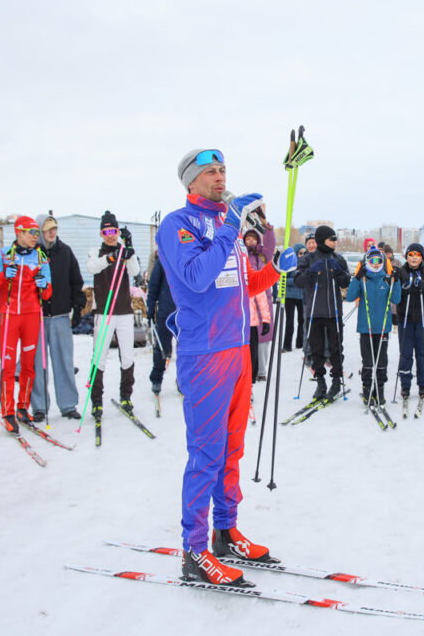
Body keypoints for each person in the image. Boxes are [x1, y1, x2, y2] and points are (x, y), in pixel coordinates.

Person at [156, 147, 297, 586]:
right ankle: (194, 551)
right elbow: (198, 276)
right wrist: (232, 226)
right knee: (206, 454)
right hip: (206, 355)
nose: (220, 176)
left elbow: (237, 284)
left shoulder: (224, 225)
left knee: (231, 449)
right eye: (210, 171)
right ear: (191, 181)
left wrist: (272, 268)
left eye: (223, 169)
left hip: (238, 350)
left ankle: (224, 531)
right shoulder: (176, 225)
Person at [0, 216, 53, 431]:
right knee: (7, 365)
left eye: (37, 232)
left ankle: (23, 407)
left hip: (32, 315)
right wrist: (4, 276)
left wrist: (44, 285)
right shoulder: (3, 255)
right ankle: (7, 411)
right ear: (19, 232)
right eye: (31, 232)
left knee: (28, 364)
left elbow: (48, 291)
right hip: (10, 316)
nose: (36, 236)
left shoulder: (41, 257)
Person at [31, 213, 85, 422]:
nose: (52, 232)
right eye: (47, 229)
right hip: (37, 316)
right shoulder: (32, 254)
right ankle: (39, 406)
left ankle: (68, 404)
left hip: (61, 314)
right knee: (38, 363)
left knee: (64, 361)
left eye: (54, 228)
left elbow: (76, 281)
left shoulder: (65, 252)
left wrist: (77, 307)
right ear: (39, 232)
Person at [86, 212, 140, 422]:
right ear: (101, 233)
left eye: (114, 231)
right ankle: (96, 401)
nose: (110, 235)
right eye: (106, 231)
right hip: (104, 312)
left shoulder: (123, 251)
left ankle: (126, 396)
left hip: (124, 310)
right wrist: (110, 258)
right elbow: (93, 267)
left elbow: (134, 271)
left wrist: (129, 248)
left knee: (127, 356)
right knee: (99, 357)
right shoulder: (96, 252)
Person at [294, 224, 350, 402]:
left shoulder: (339, 259)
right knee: (316, 349)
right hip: (314, 312)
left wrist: (340, 272)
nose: (335, 242)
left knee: (335, 349)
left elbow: (346, 282)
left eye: (335, 239)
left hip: (333, 312)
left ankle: (335, 380)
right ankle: (320, 381)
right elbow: (298, 281)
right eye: (331, 239)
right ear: (321, 240)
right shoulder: (308, 259)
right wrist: (311, 271)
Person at [345, 247, 400, 406]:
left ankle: (380, 388)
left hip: (382, 328)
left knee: (381, 361)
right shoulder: (363, 279)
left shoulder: (386, 279)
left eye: (379, 261)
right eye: (372, 261)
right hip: (366, 328)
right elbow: (349, 297)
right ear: (367, 262)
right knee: (368, 361)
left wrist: (395, 282)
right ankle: (367, 387)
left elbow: (396, 299)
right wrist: (356, 277)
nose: (376, 264)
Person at [396, 243, 424, 403]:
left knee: (422, 354)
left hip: (423, 319)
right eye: (411, 254)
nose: (414, 258)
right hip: (405, 320)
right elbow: (395, 294)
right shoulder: (401, 272)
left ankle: (423, 384)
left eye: (418, 255)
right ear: (406, 256)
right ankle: (405, 385)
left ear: (422, 257)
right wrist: (402, 290)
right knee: (406, 354)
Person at [242, 224, 277, 381]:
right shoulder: (241, 255)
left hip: (262, 300)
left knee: (263, 337)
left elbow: (270, 245)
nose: (250, 241)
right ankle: (246, 370)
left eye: (253, 239)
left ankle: (261, 370)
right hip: (246, 300)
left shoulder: (263, 255)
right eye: (247, 239)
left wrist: (268, 229)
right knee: (246, 338)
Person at [145, 252, 177, 395]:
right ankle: (157, 379)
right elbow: (153, 286)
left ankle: (183, 380)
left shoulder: (188, 256)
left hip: (185, 312)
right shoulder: (163, 260)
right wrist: (150, 308)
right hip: (166, 310)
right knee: (162, 348)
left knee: (185, 350)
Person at [281, 244, 306, 352]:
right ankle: (287, 346)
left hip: (302, 296)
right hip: (290, 296)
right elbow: (283, 279)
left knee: (302, 320)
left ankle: (300, 344)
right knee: (289, 322)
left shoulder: (306, 263)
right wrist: (296, 281)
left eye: (305, 253)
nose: (302, 255)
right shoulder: (290, 263)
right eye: (300, 253)